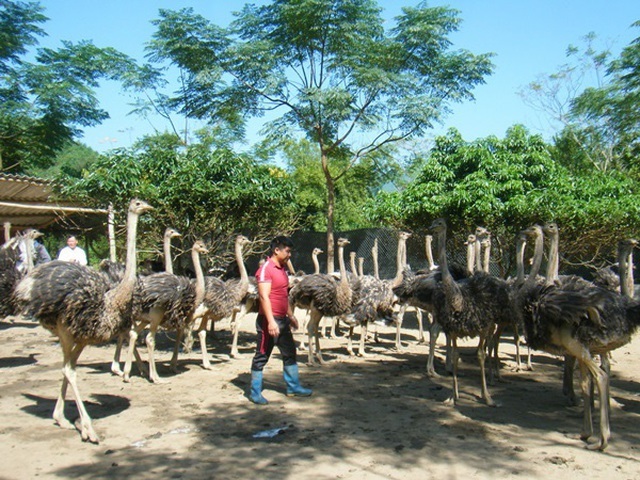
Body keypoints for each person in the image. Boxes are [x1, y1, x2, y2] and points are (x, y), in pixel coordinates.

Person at [249, 235, 312, 405]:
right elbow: (263, 296)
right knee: (262, 355)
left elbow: (283, 296)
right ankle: (255, 392)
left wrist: (290, 316)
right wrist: (270, 322)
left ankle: (293, 387)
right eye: (287, 251)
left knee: (290, 352)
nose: (289, 254)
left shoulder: (282, 269)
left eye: (290, 251)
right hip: (268, 320)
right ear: (276, 250)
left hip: (282, 320)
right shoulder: (266, 269)